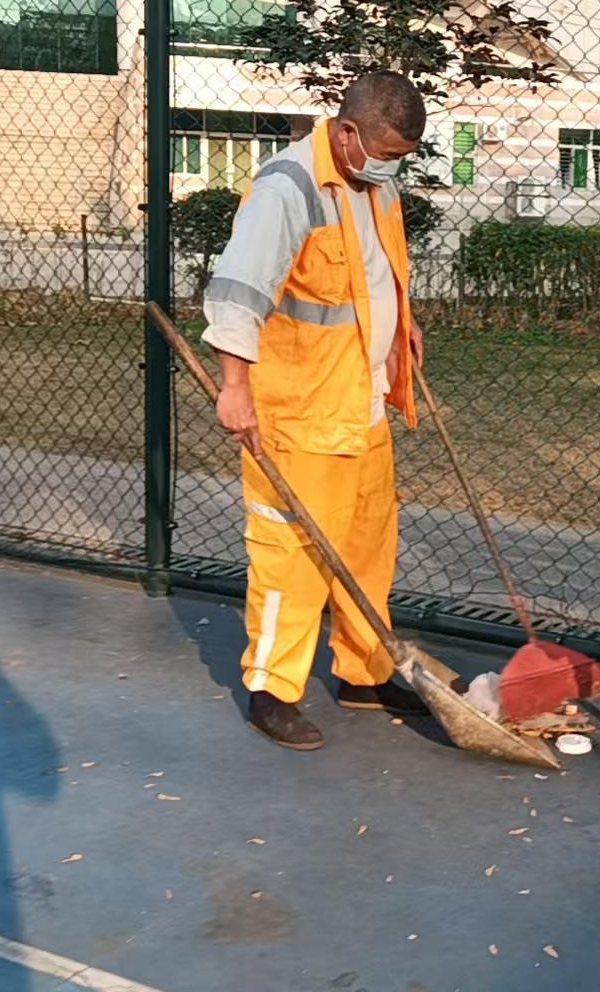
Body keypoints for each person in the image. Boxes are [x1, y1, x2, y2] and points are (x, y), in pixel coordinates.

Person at [201, 71, 431, 751]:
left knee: (367, 547)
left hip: (362, 402)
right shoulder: (288, 189)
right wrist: (234, 388)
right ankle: (271, 690)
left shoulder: (374, 181)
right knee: (292, 554)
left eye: (401, 157)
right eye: (385, 153)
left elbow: (372, 272)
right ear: (348, 130)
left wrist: (402, 326)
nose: (391, 167)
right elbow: (238, 294)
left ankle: (365, 673)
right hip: (301, 412)